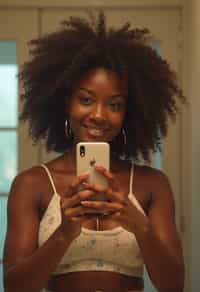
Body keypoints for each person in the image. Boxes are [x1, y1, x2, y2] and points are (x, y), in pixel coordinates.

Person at [3, 12, 185, 292]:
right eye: (86, 99)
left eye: (114, 105)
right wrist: (63, 234)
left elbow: (174, 285)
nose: (99, 115)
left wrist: (141, 227)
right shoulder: (32, 184)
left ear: (129, 113)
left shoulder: (152, 184)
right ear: (65, 102)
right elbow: (14, 286)